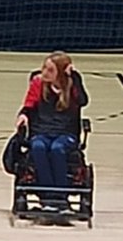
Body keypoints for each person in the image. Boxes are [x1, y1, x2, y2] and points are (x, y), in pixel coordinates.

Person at [15, 50, 88, 206]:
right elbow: (29, 104)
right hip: (41, 130)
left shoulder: (71, 86)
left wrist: (74, 77)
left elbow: (82, 101)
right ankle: (48, 195)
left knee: (57, 148)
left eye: (50, 70)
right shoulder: (38, 83)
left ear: (60, 72)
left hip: (65, 132)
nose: (45, 73)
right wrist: (23, 115)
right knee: (38, 147)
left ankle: (61, 195)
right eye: (44, 68)